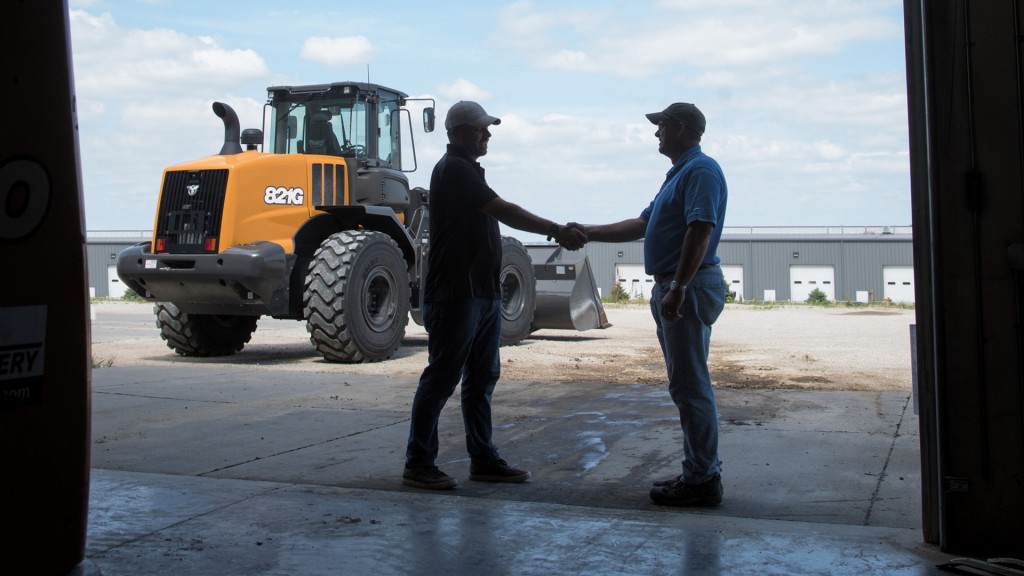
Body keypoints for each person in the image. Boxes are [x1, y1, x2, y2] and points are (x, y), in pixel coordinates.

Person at [403, 100, 587, 490]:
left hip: (482, 293)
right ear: (455, 134)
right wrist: (556, 229)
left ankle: (483, 459)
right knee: (442, 377)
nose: (487, 134)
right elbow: (505, 210)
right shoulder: (454, 169)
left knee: (482, 377)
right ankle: (418, 463)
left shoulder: (469, 170)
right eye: (479, 128)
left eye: (487, 128)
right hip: (456, 294)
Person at [568, 102, 728, 506]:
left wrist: (679, 286)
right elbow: (642, 224)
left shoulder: (701, 171)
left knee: (690, 385)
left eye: (660, 126)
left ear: (680, 127)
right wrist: (585, 231)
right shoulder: (680, 175)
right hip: (676, 285)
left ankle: (702, 480)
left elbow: (701, 229)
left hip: (684, 287)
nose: (655, 133)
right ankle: (698, 471)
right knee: (686, 384)